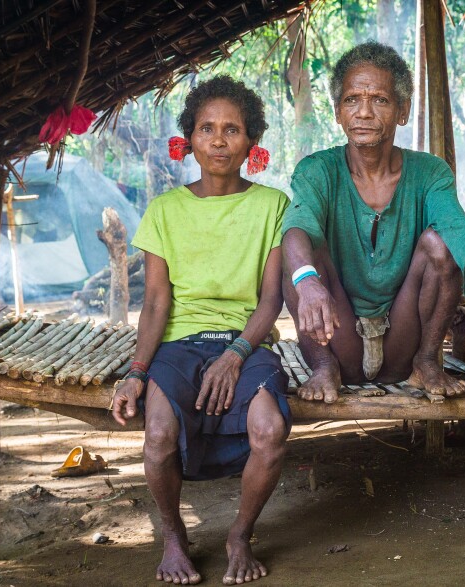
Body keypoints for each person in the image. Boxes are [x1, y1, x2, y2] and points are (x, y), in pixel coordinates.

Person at [112, 75, 290, 585]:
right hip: (178, 345)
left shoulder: (272, 206)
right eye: (206, 128)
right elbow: (155, 301)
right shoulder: (165, 210)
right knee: (159, 436)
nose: (218, 140)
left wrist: (235, 354)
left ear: (251, 141)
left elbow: (271, 299)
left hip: (246, 340)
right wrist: (137, 371)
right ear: (187, 138)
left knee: (271, 431)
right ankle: (172, 534)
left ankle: (240, 533)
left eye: (232, 129)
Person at [281, 41, 465, 404]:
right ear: (338, 112)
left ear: (402, 111)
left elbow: (456, 226)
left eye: (380, 100)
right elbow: (297, 228)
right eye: (352, 99)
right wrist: (307, 281)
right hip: (338, 339)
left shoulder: (429, 172)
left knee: (440, 244)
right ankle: (323, 366)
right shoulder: (317, 170)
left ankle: (427, 364)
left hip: (401, 344)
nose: (364, 112)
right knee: (295, 253)